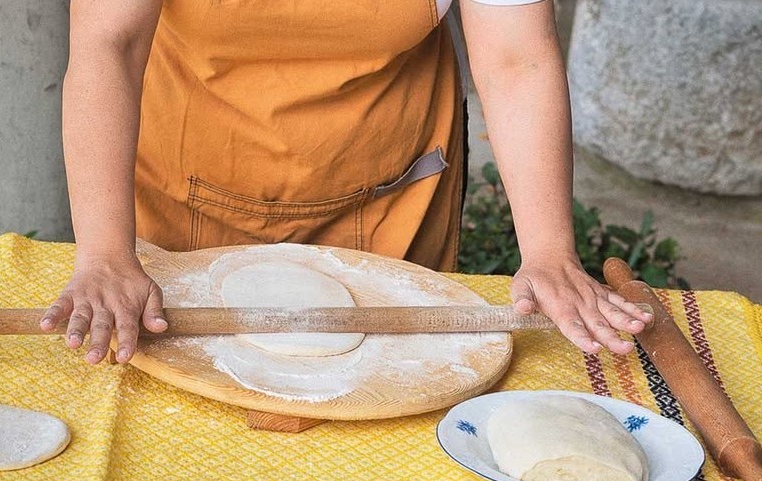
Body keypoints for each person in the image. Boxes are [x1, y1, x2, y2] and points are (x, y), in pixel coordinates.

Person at [41, 0, 652, 365]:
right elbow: (109, 45)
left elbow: (518, 60)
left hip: (392, 194)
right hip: (188, 175)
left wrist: (549, 250)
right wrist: (106, 254)